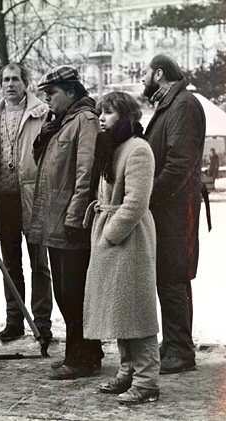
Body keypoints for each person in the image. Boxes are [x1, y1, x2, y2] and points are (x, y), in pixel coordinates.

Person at [83, 92, 160, 405]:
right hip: (112, 234)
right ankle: (128, 370)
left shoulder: (138, 149)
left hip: (131, 239)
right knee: (119, 308)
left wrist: (111, 233)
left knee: (136, 310)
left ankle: (147, 382)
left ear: (126, 116)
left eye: (110, 113)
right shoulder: (113, 146)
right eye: (101, 112)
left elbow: (137, 201)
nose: (102, 118)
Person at [28, 65, 103, 380]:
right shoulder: (60, 123)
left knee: (73, 293)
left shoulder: (84, 121)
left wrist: (75, 216)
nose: (48, 100)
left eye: (53, 93)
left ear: (71, 92)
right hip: (54, 221)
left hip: (70, 222)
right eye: (45, 94)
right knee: (63, 291)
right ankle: (84, 353)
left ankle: (83, 358)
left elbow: (85, 172)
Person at [0, 63, 53, 346]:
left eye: (16, 79)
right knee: (10, 264)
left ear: (26, 83)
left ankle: (41, 323)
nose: (10, 84)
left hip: (33, 196)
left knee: (39, 264)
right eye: (5, 79)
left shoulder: (40, 114)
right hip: (4, 198)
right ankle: (15, 320)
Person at [141, 54, 205, 374]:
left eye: (146, 73)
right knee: (169, 277)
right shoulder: (171, 104)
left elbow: (180, 163)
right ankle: (175, 344)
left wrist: (149, 196)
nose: (142, 79)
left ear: (160, 74)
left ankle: (180, 350)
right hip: (170, 207)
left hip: (176, 208)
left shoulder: (182, 105)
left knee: (173, 277)